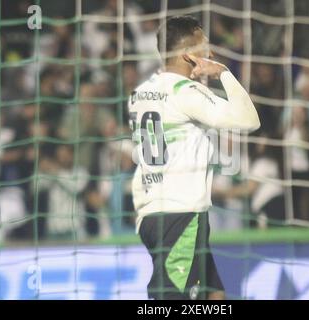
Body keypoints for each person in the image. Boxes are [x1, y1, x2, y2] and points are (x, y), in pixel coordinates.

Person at [128, 16, 260, 300]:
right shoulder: (185, 91)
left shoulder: (140, 93)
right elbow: (249, 120)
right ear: (188, 54)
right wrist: (223, 72)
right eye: (205, 46)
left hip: (151, 214)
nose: (210, 53)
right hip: (181, 215)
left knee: (215, 296)